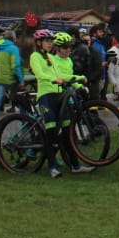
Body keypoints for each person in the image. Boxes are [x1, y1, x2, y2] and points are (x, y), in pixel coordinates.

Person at [26, 31, 93, 177]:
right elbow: (39, 74)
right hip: (46, 97)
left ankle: (75, 166)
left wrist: (77, 78)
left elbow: (61, 76)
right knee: (51, 134)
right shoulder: (35, 56)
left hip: (59, 97)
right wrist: (53, 79)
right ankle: (52, 168)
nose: (50, 43)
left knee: (66, 134)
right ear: (39, 43)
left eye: (51, 41)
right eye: (46, 41)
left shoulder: (51, 57)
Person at [0, 30, 24, 131]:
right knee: (21, 100)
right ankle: (25, 119)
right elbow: (15, 66)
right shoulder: (13, 49)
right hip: (11, 79)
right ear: (13, 38)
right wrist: (21, 81)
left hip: (0, 78)